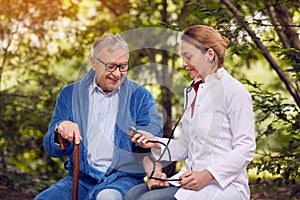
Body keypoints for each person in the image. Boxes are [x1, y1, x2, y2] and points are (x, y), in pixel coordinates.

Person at [125, 25, 256, 200]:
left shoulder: (234, 91)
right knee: (133, 194)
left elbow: (245, 148)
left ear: (209, 54)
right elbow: (185, 146)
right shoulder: (193, 91)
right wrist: (154, 142)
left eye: (188, 57)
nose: (183, 63)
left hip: (222, 185)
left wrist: (207, 175)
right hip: (190, 180)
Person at [35, 33, 163, 200]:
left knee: (107, 197)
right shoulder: (70, 94)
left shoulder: (140, 96)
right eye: (111, 66)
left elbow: (152, 140)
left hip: (123, 179)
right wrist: (60, 130)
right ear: (94, 62)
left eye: (123, 66)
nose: (117, 74)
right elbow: (52, 148)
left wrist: (153, 165)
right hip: (81, 180)